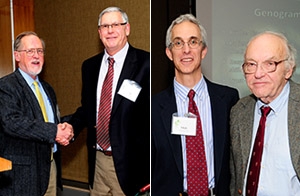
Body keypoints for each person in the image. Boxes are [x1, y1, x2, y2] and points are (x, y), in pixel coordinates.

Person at [151, 13, 239, 196]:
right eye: (178, 43)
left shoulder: (228, 100)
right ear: (169, 52)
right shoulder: (154, 107)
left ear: (203, 50)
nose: (186, 50)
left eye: (193, 42)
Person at [68, 6, 150, 196]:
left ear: (127, 29)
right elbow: (87, 110)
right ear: (99, 33)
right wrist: (70, 127)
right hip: (97, 162)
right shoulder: (89, 66)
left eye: (116, 24)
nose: (110, 30)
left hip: (130, 165)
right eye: (105, 26)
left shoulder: (146, 63)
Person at [0, 31, 74, 196]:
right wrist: (54, 131)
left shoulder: (47, 89)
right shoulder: (6, 87)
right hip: (22, 175)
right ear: (17, 55)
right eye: (30, 51)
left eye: (40, 51)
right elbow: (12, 122)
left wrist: (65, 128)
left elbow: (48, 121)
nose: (36, 55)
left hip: (50, 168)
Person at [230, 31, 300, 196]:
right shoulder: (239, 111)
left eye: (269, 64)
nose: (258, 74)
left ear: (288, 70)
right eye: (251, 64)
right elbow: (236, 178)